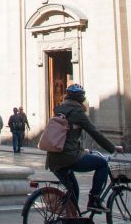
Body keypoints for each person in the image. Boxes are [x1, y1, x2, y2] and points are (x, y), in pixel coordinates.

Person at [45, 83, 118, 212]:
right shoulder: (77, 112)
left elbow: (65, 136)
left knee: (73, 190)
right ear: (81, 99)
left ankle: (71, 221)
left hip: (53, 158)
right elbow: (95, 133)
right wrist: (113, 148)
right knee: (102, 164)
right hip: (68, 156)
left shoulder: (59, 110)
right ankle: (94, 200)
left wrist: (81, 149)